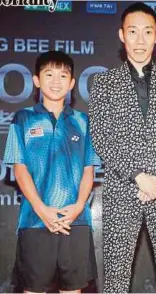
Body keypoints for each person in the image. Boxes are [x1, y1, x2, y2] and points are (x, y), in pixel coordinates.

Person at [89, 2, 156, 293]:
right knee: (117, 281)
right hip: (123, 191)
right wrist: (138, 176)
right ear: (122, 35)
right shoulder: (104, 83)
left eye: (147, 32)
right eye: (133, 32)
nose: (140, 40)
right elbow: (101, 137)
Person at [4, 50, 99, 293]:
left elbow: (89, 169)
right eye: (49, 74)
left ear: (72, 83)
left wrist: (78, 206)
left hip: (75, 221)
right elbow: (19, 167)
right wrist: (42, 209)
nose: (56, 81)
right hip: (35, 220)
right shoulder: (23, 118)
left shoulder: (83, 121)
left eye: (63, 75)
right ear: (36, 80)